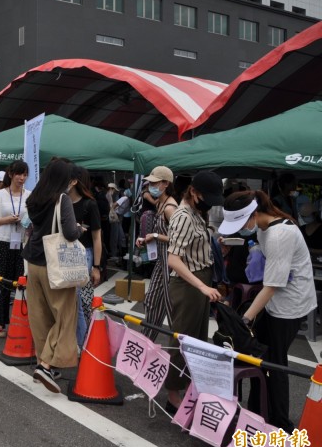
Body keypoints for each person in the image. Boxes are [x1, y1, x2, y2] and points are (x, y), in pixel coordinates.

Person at [222, 191, 317, 432]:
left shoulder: (279, 234)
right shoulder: (265, 228)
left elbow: (272, 285)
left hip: (289, 306)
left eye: (240, 223)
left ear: (254, 214)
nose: (240, 229)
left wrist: (244, 319)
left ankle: (280, 424)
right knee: (261, 358)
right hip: (276, 300)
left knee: (275, 364)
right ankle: (259, 411)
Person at [164, 171, 224, 412]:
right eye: (206, 196)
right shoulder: (183, 216)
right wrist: (201, 285)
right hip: (188, 284)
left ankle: (188, 387)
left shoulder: (197, 213)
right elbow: (173, 260)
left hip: (200, 280)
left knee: (197, 339)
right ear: (194, 192)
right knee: (183, 339)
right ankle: (172, 393)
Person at [23, 158, 82, 393]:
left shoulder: (34, 199)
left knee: (40, 317)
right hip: (55, 264)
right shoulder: (62, 199)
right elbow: (69, 232)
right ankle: (47, 366)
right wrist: (79, 229)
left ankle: (43, 362)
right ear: (64, 180)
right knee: (64, 315)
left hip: (34, 262)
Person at [0, 160, 30, 338]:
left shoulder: (30, 195)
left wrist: (25, 221)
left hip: (23, 242)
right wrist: (7, 220)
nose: (22, 178)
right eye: (19, 174)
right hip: (2, 241)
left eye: (25, 174)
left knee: (23, 283)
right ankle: (1, 322)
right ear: (11, 174)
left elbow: (33, 219)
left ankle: (22, 321)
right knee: (2, 282)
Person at [136, 166, 178, 341]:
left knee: (169, 308)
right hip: (162, 262)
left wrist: (154, 235)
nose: (150, 185)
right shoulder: (161, 203)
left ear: (166, 183)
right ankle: (146, 342)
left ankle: (177, 351)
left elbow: (178, 239)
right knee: (152, 302)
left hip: (172, 265)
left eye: (155, 182)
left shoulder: (170, 207)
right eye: (150, 182)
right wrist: (148, 239)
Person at [68, 165, 102, 347]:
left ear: (74, 181)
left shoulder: (90, 204)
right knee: (71, 301)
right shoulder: (61, 201)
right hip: (64, 254)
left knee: (77, 301)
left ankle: (81, 346)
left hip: (84, 254)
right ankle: (77, 343)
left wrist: (96, 266)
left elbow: (97, 238)